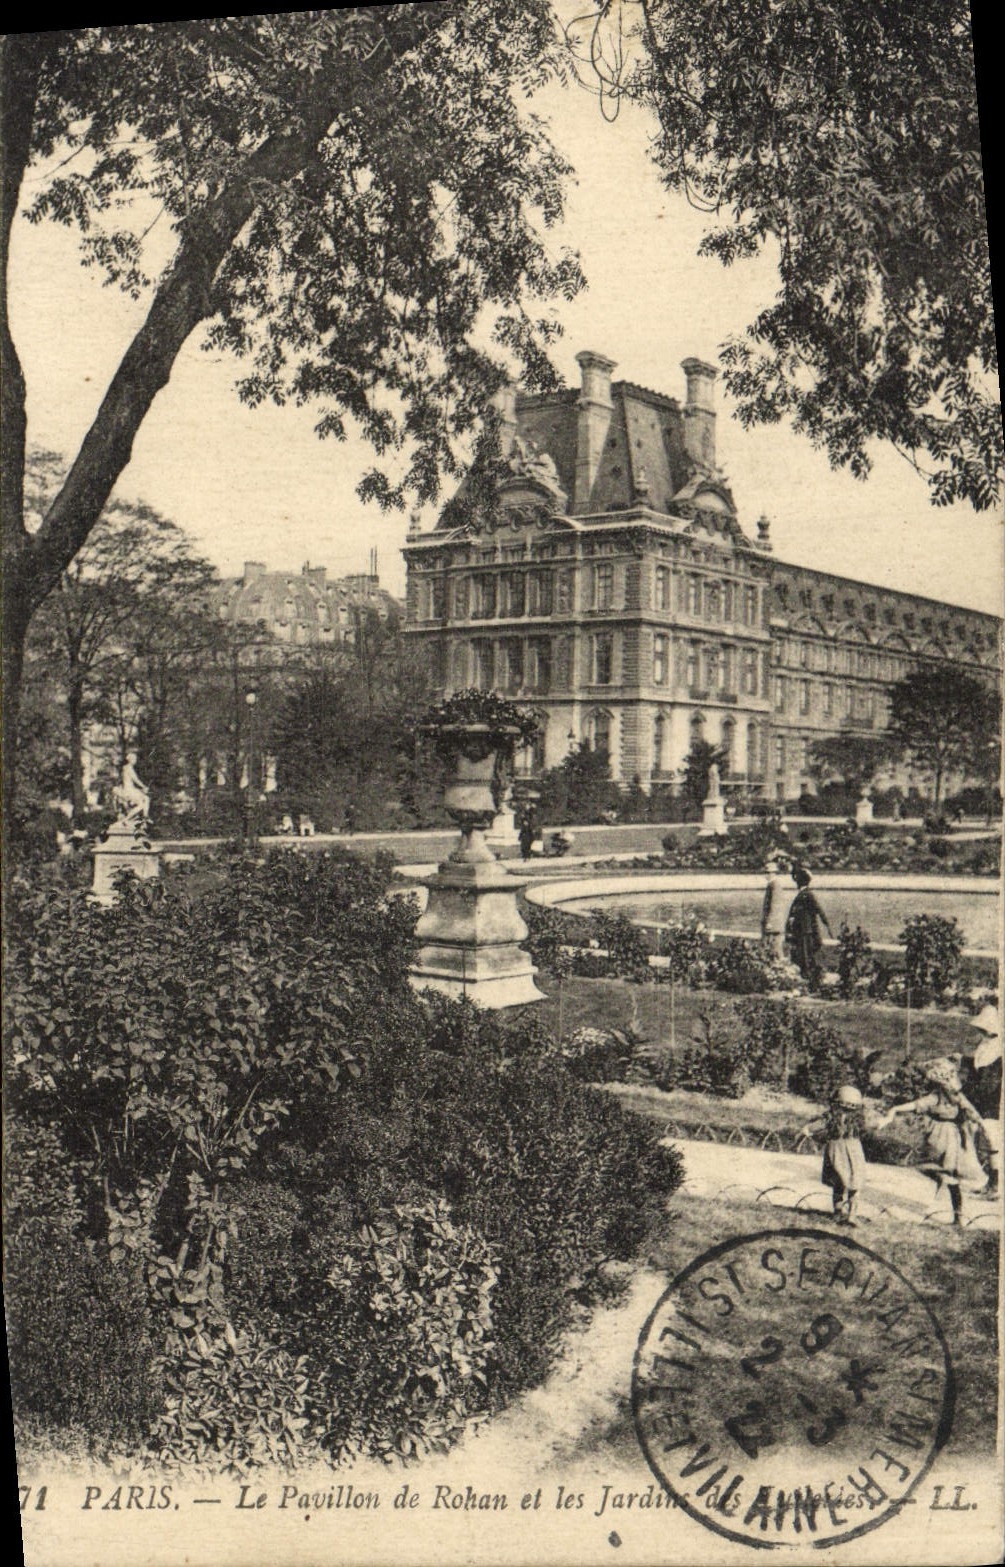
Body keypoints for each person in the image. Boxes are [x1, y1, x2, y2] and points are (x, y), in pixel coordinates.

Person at [880, 1057, 986, 1227]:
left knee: (941, 1173)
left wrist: (980, 1125)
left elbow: (970, 1111)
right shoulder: (946, 1096)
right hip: (945, 1137)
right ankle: (952, 1213)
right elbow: (919, 1104)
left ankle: (948, 1212)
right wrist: (895, 1110)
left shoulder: (947, 1096)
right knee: (945, 1175)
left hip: (945, 1137)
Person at [801, 1085, 868, 1226]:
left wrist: (808, 1130)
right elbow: (874, 1124)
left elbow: (810, 1128)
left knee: (838, 1183)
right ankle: (852, 1216)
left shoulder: (830, 1117)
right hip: (854, 1150)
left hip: (835, 1149)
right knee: (855, 1184)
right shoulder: (859, 1120)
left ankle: (837, 1213)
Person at [961, 1006, 1002, 1200]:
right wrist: (963, 1060)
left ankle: (995, 1186)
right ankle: (992, 1183)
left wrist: (967, 1094)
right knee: (989, 1140)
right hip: (986, 1101)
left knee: (993, 1140)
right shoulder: (986, 1044)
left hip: (993, 1101)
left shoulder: (998, 1047)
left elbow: (989, 1079)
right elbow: (979, 1065)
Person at [785, 866, 833, 988]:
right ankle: (809, 977)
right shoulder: (804, 894)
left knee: (805, 955)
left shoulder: (808, 894)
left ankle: (809, 978)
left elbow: (819, 910)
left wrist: (827, 925)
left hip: (806, 931)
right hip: (802, 930)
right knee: (803, 954)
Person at [760, 858, 790, 959]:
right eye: (765, 872)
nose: (766, 875)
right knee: (772, 948)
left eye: (767, 872)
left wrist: (770, 922)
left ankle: (782, 968)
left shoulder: (775, 885)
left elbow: (775, 905)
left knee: (775, 949)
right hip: (773, 925)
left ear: (773, 873)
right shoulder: (772, 884)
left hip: (774, 926)